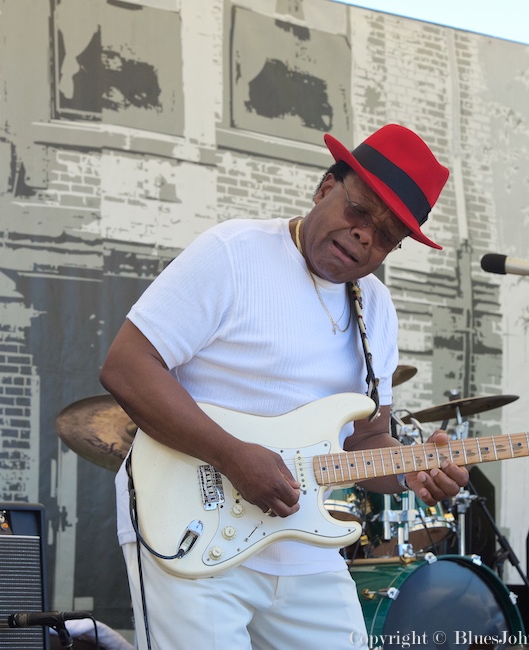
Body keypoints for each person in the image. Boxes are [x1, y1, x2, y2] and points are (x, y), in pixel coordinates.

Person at [99, 123, 470, 649]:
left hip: (304, 547)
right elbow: (126, 366)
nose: (366, 234)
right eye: (360, 211)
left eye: (387, 235)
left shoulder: (377, 310)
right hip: (189, 525)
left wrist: (414, 469)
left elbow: (365, 443)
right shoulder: (234, 253)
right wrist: (231, 455)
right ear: (325, 188)